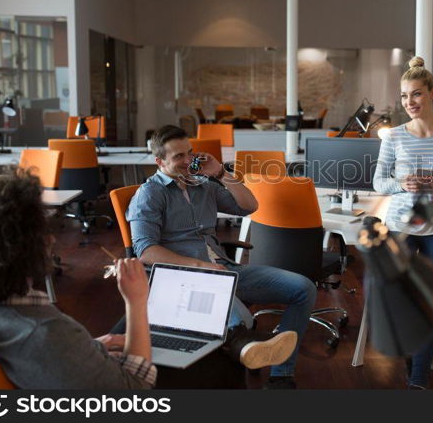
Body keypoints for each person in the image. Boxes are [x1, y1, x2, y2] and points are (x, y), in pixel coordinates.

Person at [127, 125, 317, 389]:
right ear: (159, 161)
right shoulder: (149, 194)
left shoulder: (203, 184)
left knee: (303, 288)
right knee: (241, 321)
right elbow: (146, 251)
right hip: (183, 278)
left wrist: (220, 173)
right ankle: (248, 345)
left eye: (189, 153)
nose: (187, 161)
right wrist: (200, 266)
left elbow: (249, 206)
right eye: (178, 157)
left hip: (223, 269)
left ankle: (280, 373)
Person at [0, 169, 155, 389]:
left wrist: (87, 349)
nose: (51, 238)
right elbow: (135, 389)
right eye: (42, 230)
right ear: (19, 248)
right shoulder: (42, 331)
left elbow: (45, 360)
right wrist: (137, 301)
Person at [373, 56, 433, 389]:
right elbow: (378, 183)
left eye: (416, 94)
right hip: (401, 227)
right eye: (404, 96)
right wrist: (402, 184)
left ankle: (419, 380)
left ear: (432, 93)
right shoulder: (395, 136)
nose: (409, 102)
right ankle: (410, 358)